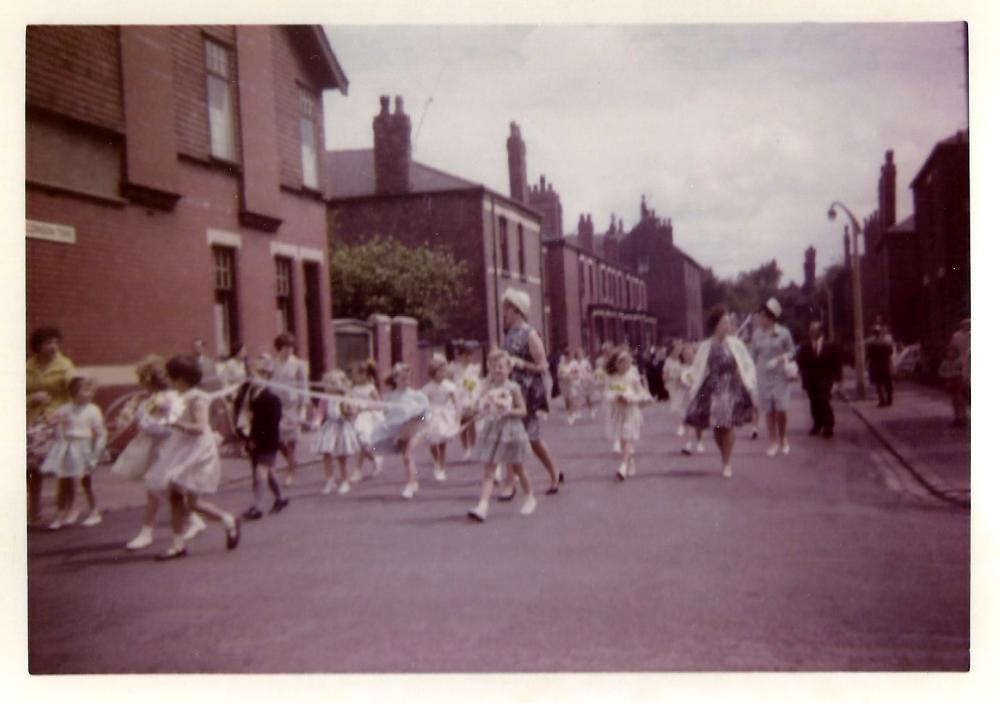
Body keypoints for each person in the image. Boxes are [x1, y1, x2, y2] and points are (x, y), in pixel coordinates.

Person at [144, 355, 240, 561]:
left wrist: (173, 422)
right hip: (181, 447)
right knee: (177, 496)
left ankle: (228, 520)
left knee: (191, 501)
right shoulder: (178, 396)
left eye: (171, 377)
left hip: (197, 451)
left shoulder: (197, 398)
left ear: (181, 379)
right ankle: (179, 544)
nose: (168, 381)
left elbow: (200, 428)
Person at [113, 355, 195, 550]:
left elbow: (167, 427)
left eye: (142, 378)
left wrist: (145, 422)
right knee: (163, 490)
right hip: (154, 448)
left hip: (165, 449)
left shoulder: (168, 399)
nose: (140, 382)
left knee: (154, 490)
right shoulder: (151, 399)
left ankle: (147, 532)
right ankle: (193, 518)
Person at [498, 289, 563, 497]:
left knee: (533, 439)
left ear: (516, 310)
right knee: (509, 437)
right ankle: (510, 484)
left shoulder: (530, 334)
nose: (504, 313)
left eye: (507, 309)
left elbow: (543, 366)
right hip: (510, 392)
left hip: (527, 395)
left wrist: (520, 363)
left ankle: (554, 471)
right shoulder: (508, 335)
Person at [684, 305, 757, 479]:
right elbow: (697, 368)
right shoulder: (705, 346)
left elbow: (747, 364)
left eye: (729, 322)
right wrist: (689, 379)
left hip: (732, 387)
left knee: (729, 424)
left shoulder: (736, 344)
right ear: (716, 325)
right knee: (717, 427)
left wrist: (749, 382)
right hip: (714, 388)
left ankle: (727, 462)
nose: (728, 325)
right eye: (724, 322)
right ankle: (723, 455)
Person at [466, 348, 537, 522]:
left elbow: (522, 411)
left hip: (511, 430)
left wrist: (507, 410)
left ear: (508, 369)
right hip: (493, 430)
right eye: (493, 366)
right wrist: (477, 409)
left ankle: (529, 497)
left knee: (517, 466)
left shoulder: (513, 387)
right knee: (489, 470)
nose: (497, 370)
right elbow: (479, 406)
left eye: (501, 367)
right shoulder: (486, 386)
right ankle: (482, 506)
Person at [40, 374, 107, 529]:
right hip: (67, 447)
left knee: (85, 482)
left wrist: (96, 451)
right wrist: (54, 423)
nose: (89, 394)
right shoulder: (65, 409)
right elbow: (54, 424)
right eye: (85, 391)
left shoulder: (93, 410)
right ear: (74, 392)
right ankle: (61, 514)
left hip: (84, 448)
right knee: (63, 482)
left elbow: (100, 431)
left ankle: (94, 512)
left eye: (91, 391)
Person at [27, 326, 76, 526]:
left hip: (58, 420)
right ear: (38, 346)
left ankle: (67, 508)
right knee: (31, 467)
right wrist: (32, 398)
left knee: (63, 465)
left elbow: (76, 389)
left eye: (56, 342)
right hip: (34, 422)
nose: (53, 347)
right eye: (48, 343)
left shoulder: (65, 366)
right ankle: (34, 510)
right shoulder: (27, 367)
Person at [233, 354, 289, 516]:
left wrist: (257, 439)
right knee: (268, 471)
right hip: (252, 438)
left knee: (260, 471)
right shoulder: (247, 393)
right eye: (250, 373)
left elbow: (272, 423)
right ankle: (281, 497)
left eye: (255, 373)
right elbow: (242, 413)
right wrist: (245, 437)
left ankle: (257, 507)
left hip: (267, 440)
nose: (251, 377)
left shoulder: (272, 397)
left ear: (266, 375)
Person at [372, 363, 430, 500]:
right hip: (399, 430)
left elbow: (425, 414)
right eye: (402, 378)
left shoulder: (417, 396)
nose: (405, 381)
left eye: (407, 378)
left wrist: (416, 421)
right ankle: (414, 481)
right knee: (406, 456)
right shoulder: (390, 397)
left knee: (407, 455)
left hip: (415, 429)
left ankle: (409, 485)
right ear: (395, 379)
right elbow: (386, 414)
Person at [750, 297, 795, 456]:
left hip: (780, 375)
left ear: (771, 316)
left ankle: (783, 439)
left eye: (762, 315)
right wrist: (750, 375)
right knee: (769, 409)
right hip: (763, 375)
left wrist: (780, 358)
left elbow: (791, 351)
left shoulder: (784, 333)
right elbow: (752, 356)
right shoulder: (756, 335)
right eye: (759, 315)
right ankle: (772, 441)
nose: (760, 318)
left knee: (781, 408)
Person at [604, 347, 650, 480]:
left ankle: (623, 466)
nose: (624, 365)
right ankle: (629, 460)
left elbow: (641, 393)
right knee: (623, 438)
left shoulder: (632, 376)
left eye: (626, 362)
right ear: (615, 364)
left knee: (627, 436)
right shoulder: (611, 377)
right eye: (621, 362)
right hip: (618, 412)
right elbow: (606, 394)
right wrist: (616, 397)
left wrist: (631, 399)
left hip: (631, 411)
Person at [314, 369, 362, 496]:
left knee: (342, 455)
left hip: (342, 427)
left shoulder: (346, 398)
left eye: (333, 383)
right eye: (328, 383)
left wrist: (352, 411)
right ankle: (330, 479)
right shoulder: (325, 399)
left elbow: (353, 413)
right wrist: (317, 422)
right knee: (326, 453)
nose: (330, 386)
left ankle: (345, 480)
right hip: (330, 426)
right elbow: (321, 412)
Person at [271, 333, 308, 485]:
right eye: (285, 348)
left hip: (292, 406)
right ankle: (292, 461)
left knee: (292, 441)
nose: (289, 351)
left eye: (291, 347)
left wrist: (303, 408)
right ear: (279, 349)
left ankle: (291, 471)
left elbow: (304, 387)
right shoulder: (273, 364)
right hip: (276, 406)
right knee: (277, 440)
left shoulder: (299, 364)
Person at [795, 321, 842, 438]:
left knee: (824, 401)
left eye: (813, 330)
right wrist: (800, 372)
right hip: (811, 379)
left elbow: (836, 363)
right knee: (814, 402)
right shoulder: (805, 346)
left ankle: (828, 425)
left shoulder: (830, 346)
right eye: (810, 330)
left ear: (820, 332)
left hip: (826, 379)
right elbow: (800, 361)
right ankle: (817, 424)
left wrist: (838, 380)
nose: (811, 333)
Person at [421, 354, 462, 481]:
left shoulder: (449, 386)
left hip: (445, 414)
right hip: (432, 414)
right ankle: (436, 462)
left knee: (442, 442)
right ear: (433, 372)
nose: (443, 374)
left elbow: (457, 403)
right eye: (440, 371)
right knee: (433, 442)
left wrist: (457, 418)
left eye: (444, 371)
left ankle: (442, 467)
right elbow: (423, 404)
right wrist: (422, 420)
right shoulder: (428, 388)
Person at [348, 359, 385, 479]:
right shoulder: (353, 389)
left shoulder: (370, 388)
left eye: (355, 375)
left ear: (364, 374)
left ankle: (358, 471)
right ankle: (376, 459)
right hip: (356, 419)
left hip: (368, 419)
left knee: (364, 444)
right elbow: (350, 402)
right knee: (362, 446)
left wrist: (364, 407)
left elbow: (379, 405)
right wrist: (351, 409)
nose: (353, 378)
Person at [450, 342, 482, 460]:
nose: (469, 358)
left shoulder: (474, 369)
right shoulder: (454, 368)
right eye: (466, 355)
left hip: (471, 397)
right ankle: (466, 448)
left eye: (470, 355)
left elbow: (477, 384)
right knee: (462, 424)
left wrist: (476, 396)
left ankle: (473, 447)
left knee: (471, 423)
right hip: (459, 398)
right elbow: (450, 383)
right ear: (460, 356)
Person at [866, 325, 895, 407]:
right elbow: (890, 352)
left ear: (874, 333)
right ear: (880, 333)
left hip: (876, 367)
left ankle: (882, 401)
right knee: (888, 384)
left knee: (879, 385)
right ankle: (889, 400)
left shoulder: (871, 344)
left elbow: (869, 355)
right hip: (886, 365)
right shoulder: (886, 343)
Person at [939, 345, 967, 427]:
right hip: (950, 382)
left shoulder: (960, 361)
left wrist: (960, 375)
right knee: (954, 401)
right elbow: (940, 372)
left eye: (952, 352)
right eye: (948, 352)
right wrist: (946, 375)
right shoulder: (945, 362)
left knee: (961, 400)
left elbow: (964, 370)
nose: (950, 354)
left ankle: (963, 417)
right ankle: (957, 418)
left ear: (956, 353)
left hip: (959, 382)